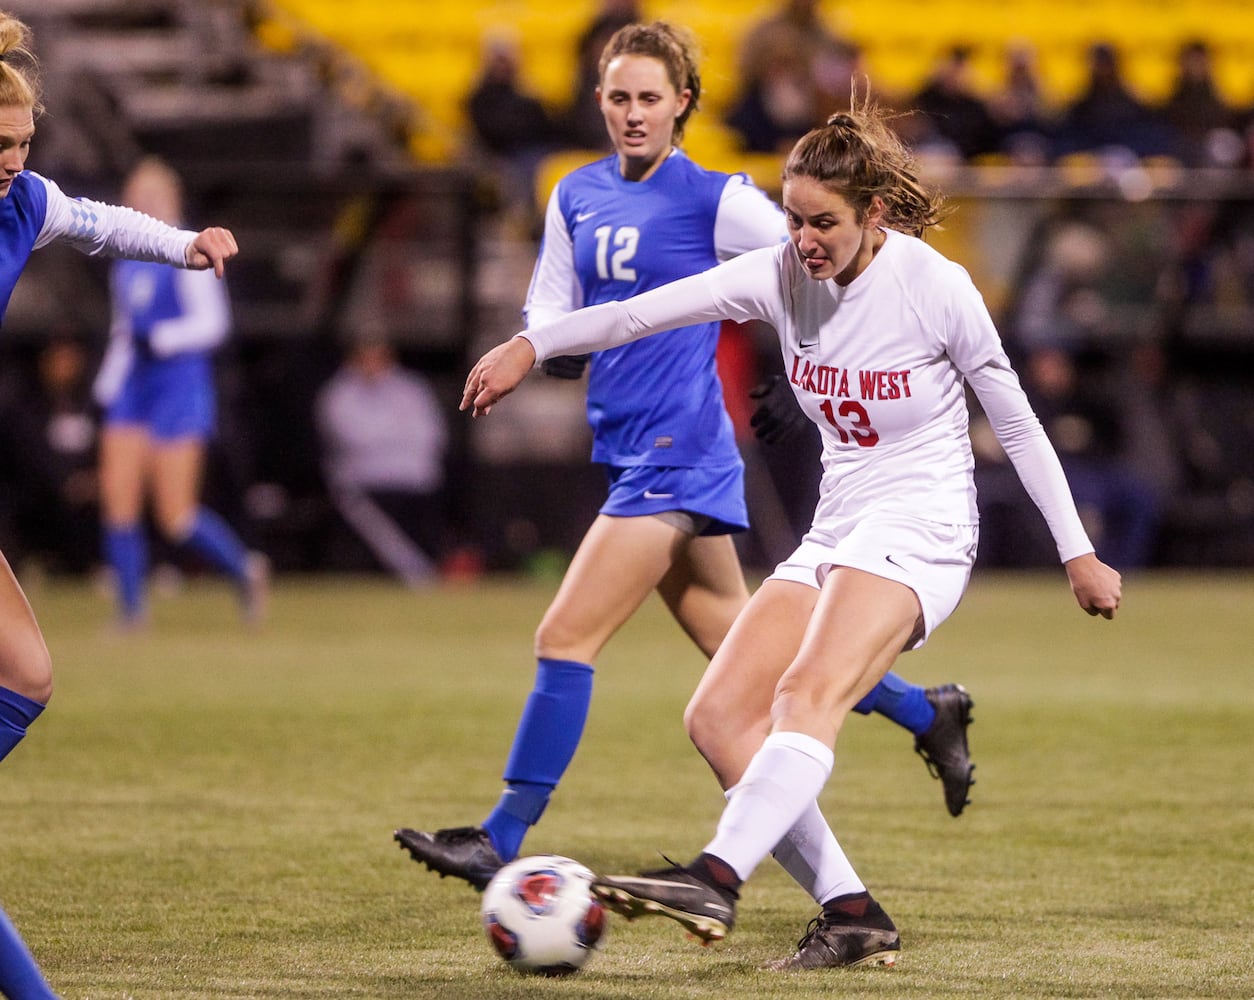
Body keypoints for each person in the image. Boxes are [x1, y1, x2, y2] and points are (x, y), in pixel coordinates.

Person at [458, 103, 1122, 969]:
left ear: (873, 215)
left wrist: (1076, 551)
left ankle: (716, 877)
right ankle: (851, 913)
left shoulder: (936, 287)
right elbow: (636, 315)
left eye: (824, 223)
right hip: (839, 525)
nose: (804, 239)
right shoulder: (779, 273)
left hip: (923, 525)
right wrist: (527, 344)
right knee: (719, 718)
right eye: (795, 216)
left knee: (804, 693)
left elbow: (1021, 423)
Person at [394, 22, 976, 899]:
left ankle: (502, 836)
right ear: (599, 101)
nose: (634, 114)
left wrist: (795, 367)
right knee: (749, 664)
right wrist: (542, 346)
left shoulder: (718, 200)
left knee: (566, 635)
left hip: (682, 450)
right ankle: (921, 712)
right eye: (619, 97)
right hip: (625, 445)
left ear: (684, 105)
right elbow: (551, 306)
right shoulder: (572, 195)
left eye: (651, 99)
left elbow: (814, 264)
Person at [0, 10, 238, 997]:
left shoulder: (25, 205)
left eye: (18, 143)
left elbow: (103, 224)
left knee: (27, 671)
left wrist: (186, 246)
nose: (9, 162)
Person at [92, 155, 265, 630]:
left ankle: (245, 572)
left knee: (175, 514)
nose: (144, 203)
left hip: (178, 385)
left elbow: (212, 324)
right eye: (137, 195)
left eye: (154, 195)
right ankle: (131, 613)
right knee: (118, 498)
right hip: (133, 386)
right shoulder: (124, 260)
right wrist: (108, 385)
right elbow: (123, 331)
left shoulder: (186, 248)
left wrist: (163, 339)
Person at [314, 328, 450, 585]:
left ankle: (424, 572)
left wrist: (387, 438)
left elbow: (429, 435)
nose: (373, 363)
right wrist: (397, 436)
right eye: (366, 356)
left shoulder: (411, 389)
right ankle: (408, 575)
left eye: (379, 356)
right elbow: (352, 438)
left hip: (414, 480)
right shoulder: (339, 394)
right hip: (363, 483)